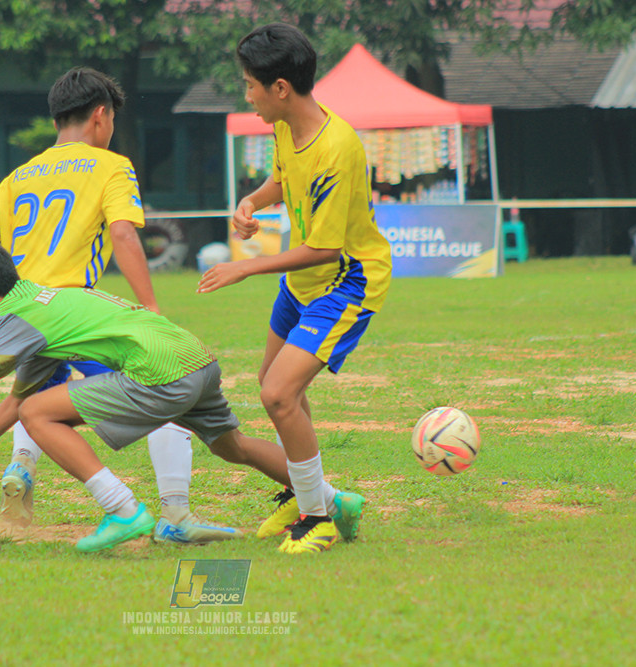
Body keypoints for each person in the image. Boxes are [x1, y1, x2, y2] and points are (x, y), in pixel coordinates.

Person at [0, 240, 293, 553]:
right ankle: (326, 499)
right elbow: (14, 403)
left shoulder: (13, 319)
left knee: (39, 413)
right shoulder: (44, 300)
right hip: (197, 358)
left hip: (160, 372)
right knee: (232, 446)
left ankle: (123, 510)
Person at [0, 67, 232, 543]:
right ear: (101, 116)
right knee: (161, 384)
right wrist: (149, 307)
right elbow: (123, 232)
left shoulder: (18, 176)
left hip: (23, 314)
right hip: (75, 310)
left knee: (32, 397)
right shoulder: (111, 166)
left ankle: (21, 465)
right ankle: (175, 515)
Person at [198, 23, 392, 553]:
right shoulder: (286, 126)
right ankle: (312, 495)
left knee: (278, 394)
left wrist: (243, 267)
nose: (247, 95)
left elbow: (326, 249)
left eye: (249, 85)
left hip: (347, 279)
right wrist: (252, 203)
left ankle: (319, 518)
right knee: (274, 384)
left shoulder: (338, 147)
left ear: (279, 87)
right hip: (303, 278)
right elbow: (283, 181)